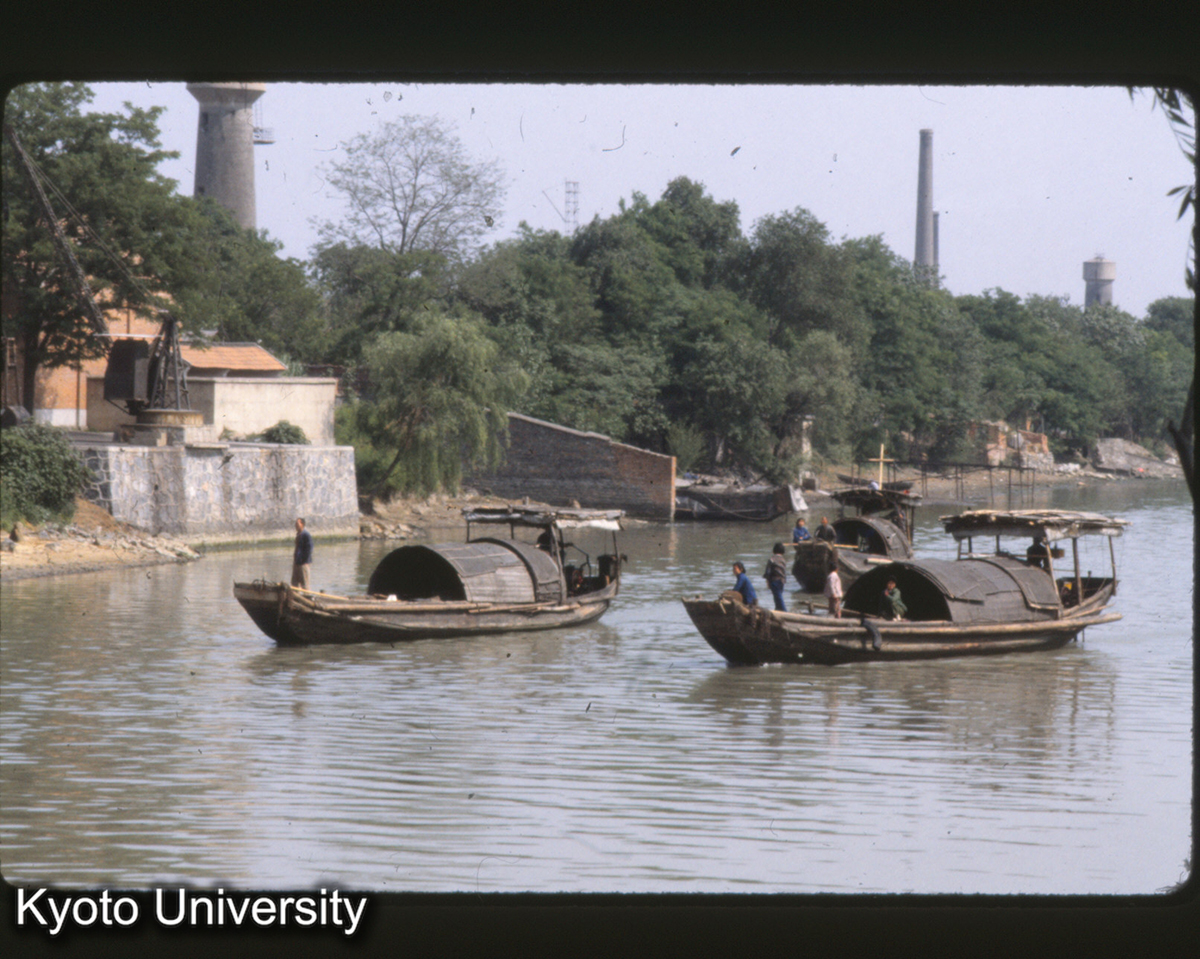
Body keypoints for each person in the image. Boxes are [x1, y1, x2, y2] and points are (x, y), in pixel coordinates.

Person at [763, 543, 788, 612]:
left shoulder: (772, 559)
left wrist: (767, 581)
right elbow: (784, 571)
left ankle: (784, 611)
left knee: (778, 597)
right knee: (778, 596)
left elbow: (768, 571)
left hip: (774, 580)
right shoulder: (783, 560)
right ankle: (778, 609)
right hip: (782, 581)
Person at [292, 517, 314, 588]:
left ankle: (306, 597)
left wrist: (304, 560)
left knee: (304, 584)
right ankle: (295, 597)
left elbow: (309, 548)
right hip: (297, 563)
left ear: (302, 524)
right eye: (295, 524)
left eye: (297, 523)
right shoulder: (298, 534)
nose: (296, 525)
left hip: (303, 564)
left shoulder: (306, 535)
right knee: (294, 583)